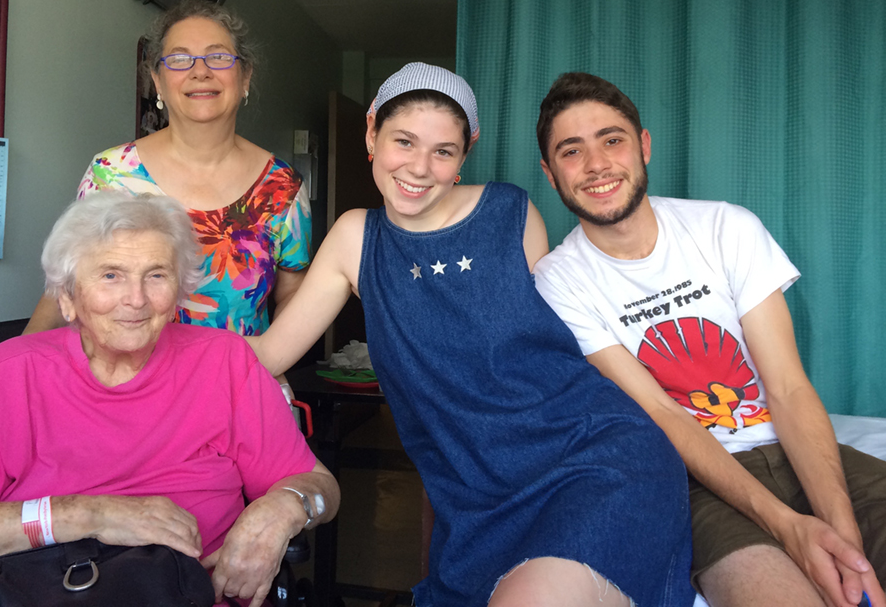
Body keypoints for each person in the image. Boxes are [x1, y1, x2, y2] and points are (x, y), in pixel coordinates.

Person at [246, 62, 695, 607]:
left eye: (443, 151)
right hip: (478, 506)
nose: (419, 168)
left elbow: (559, 343)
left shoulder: (511, 212)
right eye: (404, 141)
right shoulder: (356, 238)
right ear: (371, 132)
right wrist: (159, 334)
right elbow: (267, 355)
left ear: (466, 153)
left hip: (596, 462)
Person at [532, 72, 886, 607]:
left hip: (804, 456)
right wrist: (789, 527)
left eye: (612, 140)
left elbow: (787, 387)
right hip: (699, 483)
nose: (597, 164)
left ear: (643, 145)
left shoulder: (726, 228)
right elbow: (664, 413)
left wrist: (845, 541)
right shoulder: (559, 280)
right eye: (571, 151)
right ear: (550, 172)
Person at [0, 192, 339, 607]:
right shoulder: (8, 375)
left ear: (178, 292)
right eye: (110, 275)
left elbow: (321, 488)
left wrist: (286, 508)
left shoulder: (224, 362)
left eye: (156, 275)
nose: (136, 299)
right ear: (67, 297)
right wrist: (89, 515)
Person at [24, 0, 311, 337]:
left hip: (238, 368)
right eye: (179, 59)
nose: (200, 71)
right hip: (123, 370)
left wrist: (269, 360)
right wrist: (16, 362)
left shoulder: (281, 186)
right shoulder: (111, 173)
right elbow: (67, 286)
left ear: (245, 76)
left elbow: (293, 295)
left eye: (218, 57)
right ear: (158, 81)